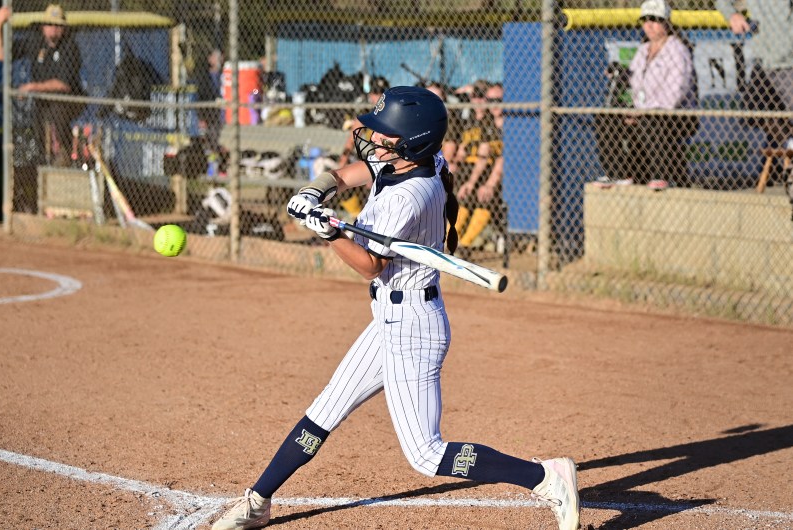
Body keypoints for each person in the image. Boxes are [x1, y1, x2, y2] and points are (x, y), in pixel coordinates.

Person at [211, 86, 581, 530]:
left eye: (385, 134)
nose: (372, 136)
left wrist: (328, 234)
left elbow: (369, 264)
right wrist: (315, 192)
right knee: (325, 408)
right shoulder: (408, 161)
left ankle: (545, 477)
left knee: (426, 453)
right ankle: (259, 500)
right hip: (388, 318)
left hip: (414, 329)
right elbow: (349, 175)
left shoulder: (407, 196)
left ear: (412, 143)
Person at [593, 0, 697, 188]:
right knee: (605, 118)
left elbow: (675, 93)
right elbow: (635, 83)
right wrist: (623, 75)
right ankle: (618, 173)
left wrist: (643, 112)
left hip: (675, 115)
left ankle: (661, 175)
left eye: (655, 20)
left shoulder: (677, 50)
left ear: (666, 22)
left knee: (650, 120)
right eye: (645, 20)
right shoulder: (643, 50)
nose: (648, 25)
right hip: (643, 110)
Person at [0, 3, 83, 166]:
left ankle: (64, 154)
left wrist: (30, 87)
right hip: (43, 103)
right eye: (49, 24)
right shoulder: (35, 42)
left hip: (68, 102)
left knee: (57, 111)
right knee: (40, 121)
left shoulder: (70, 47)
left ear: (63, 28)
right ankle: (45, 160)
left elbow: (64, 84)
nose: (53, 29)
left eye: (58, 25)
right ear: (42, 27)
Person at [715, 0, 793, 147]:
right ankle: (790, 144)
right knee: (753, 111)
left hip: (789, 61)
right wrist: (732, 15)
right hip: (763, 60)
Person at [454, 82, 506, 250]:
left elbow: (502, 160)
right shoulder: (487, 124)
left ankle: (466, 244)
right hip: (491, 171)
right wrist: (471, 182)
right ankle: (452, 239)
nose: (494, 104)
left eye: (499, 100)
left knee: (484, 195)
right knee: (468, 193)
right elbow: (483, 157)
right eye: (490, 100)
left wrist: (489, 184)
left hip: (508, 174)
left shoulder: (512, 123)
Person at [335, 76, 390, 220]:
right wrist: (342, 162)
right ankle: (355, 217)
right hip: (365, 160)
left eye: (381, 93)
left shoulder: (392, 115)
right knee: (340, 176)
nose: (378, 97)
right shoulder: (365, 115)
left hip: (385, 161)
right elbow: (350, 142)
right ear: (370, 95)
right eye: (375, 93)